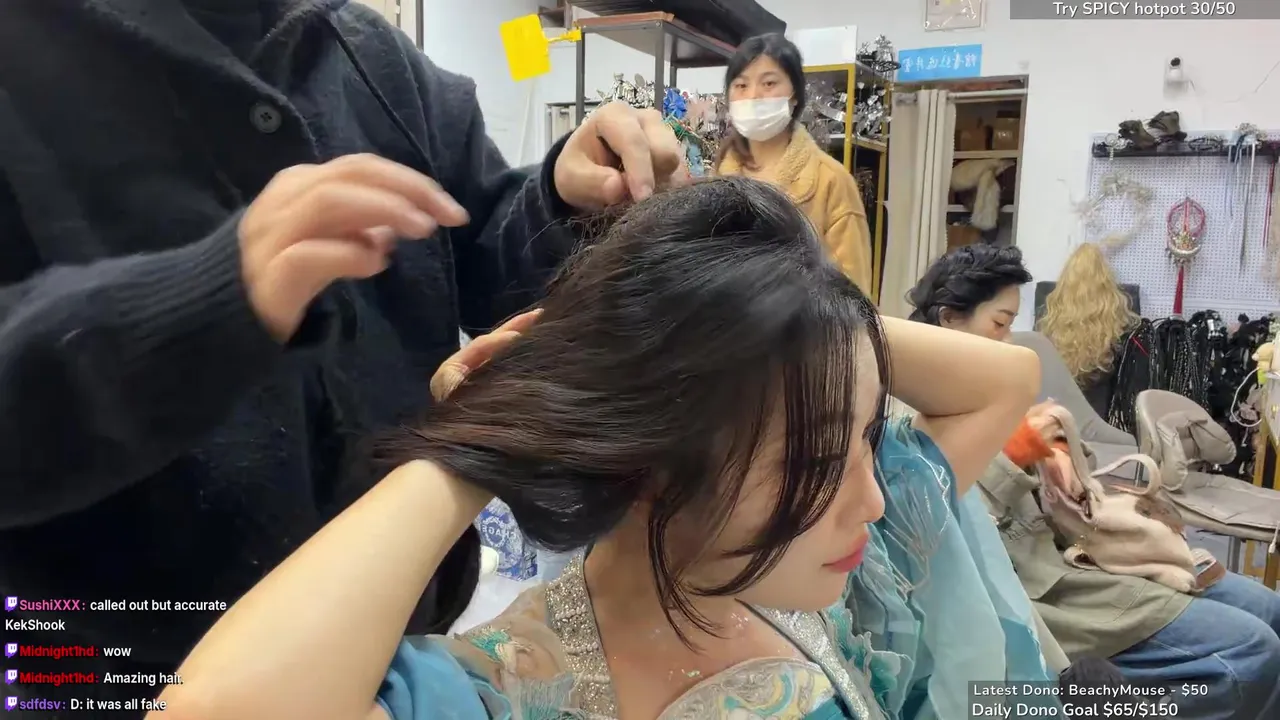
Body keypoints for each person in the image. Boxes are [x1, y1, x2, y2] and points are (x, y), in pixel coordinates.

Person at [151, 177, 1045, 720]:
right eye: (815, 463)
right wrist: (483, 437)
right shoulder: (505, 685)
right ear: (651, 457)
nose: (875, 497)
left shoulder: (846, 583)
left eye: (869, 436)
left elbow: (1001, 381)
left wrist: (795, 308)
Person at [0, 0, 682, 711]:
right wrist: (207, 296)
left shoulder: (374, 61)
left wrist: (562, 202)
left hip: (401, 642)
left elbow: (488, 251)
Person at [908, 243, 1280, 720]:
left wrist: (1061, 450)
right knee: (1252, 652)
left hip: (1085, 550)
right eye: (1000, 323)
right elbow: (933, 527)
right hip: (1045, 590)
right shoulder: (909, 413)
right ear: (948, 319)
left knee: (1268, 609)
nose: (1008, 340)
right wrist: (1015, 457)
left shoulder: (993, 384)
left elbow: (1070, 461)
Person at [715, 33, 873, 292]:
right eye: (741, 85)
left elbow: (853, 292)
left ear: (795, 95)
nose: (753, 96)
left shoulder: (831, 181)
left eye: (769, 83)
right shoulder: (719, 177)